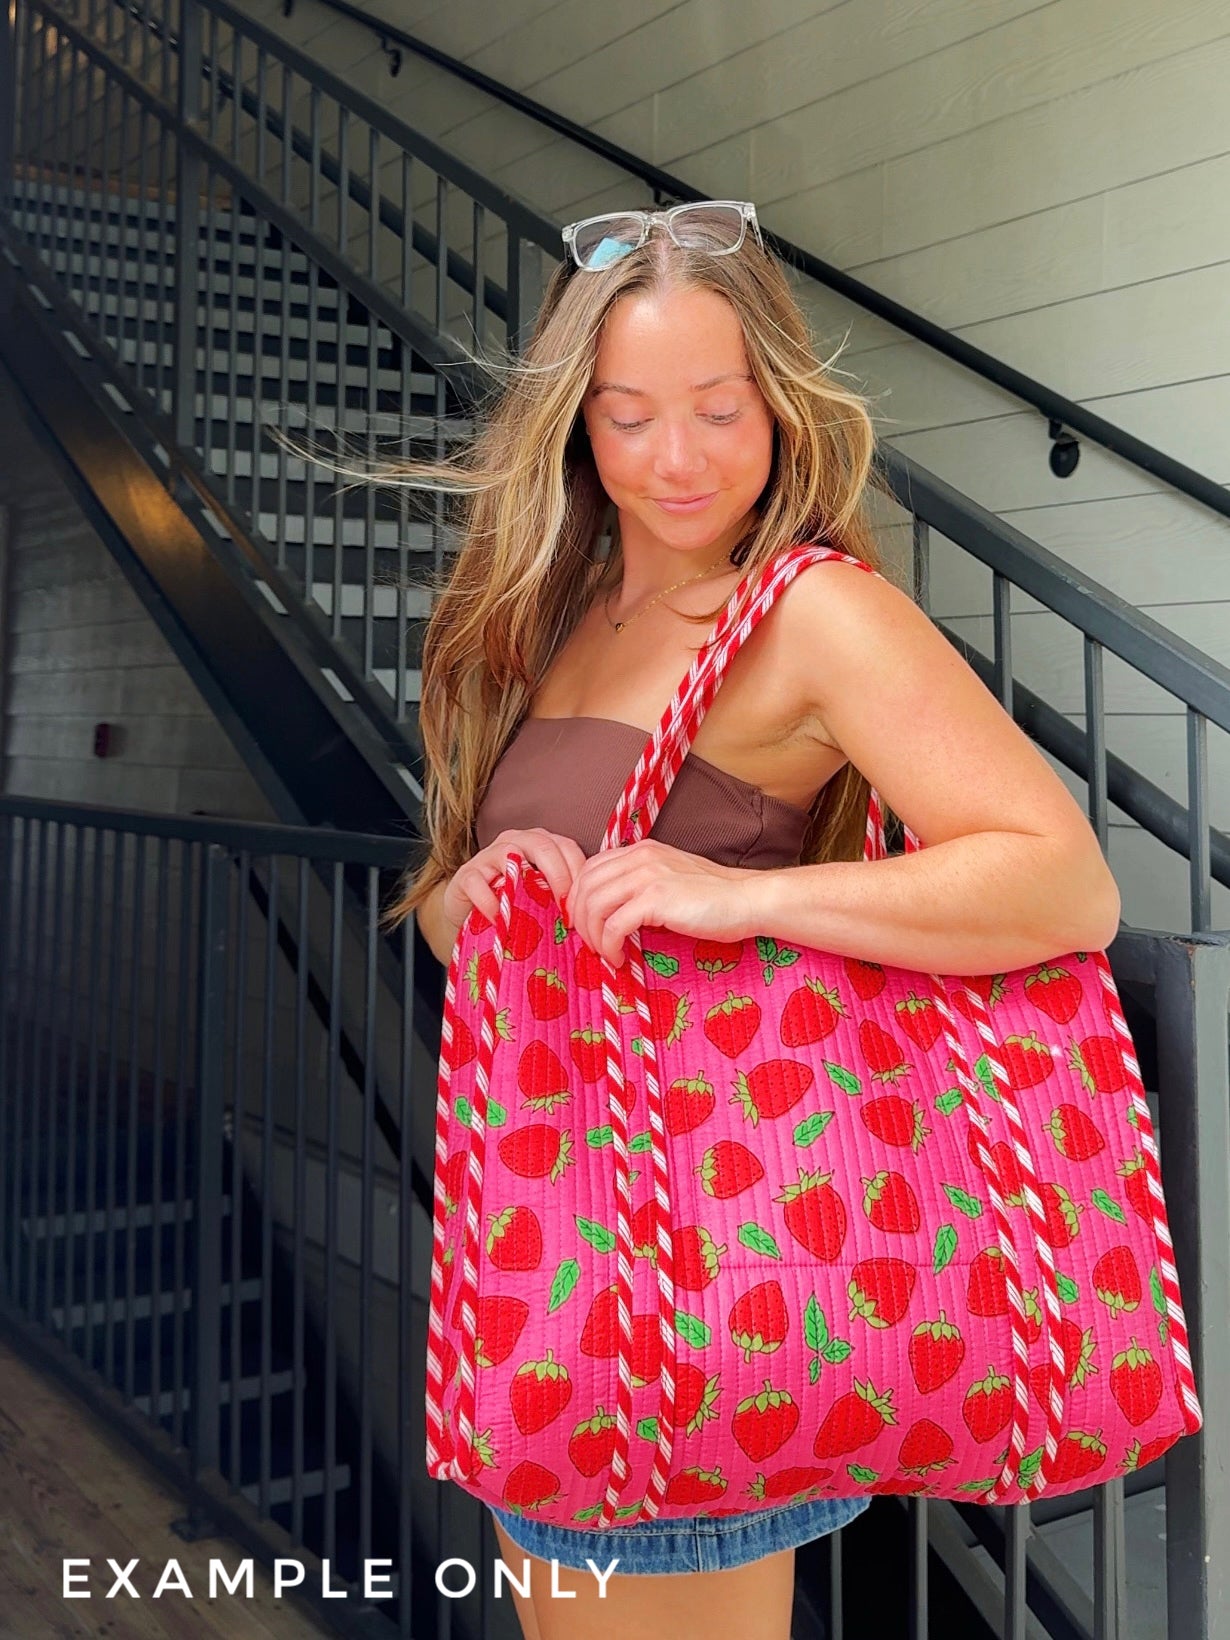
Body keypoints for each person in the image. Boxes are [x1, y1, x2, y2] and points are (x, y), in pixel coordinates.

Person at [385, 200, 1122, 1640]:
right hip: (551, 1262)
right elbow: (457, 927)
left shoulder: (812, 615)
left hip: (709, 1270)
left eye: (719, 410)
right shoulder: (566, 607)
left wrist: (743, 895)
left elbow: (1061, 880)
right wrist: (464, 898)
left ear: (779, 407)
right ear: (573, 427)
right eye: (628, 416)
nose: (677, 460)